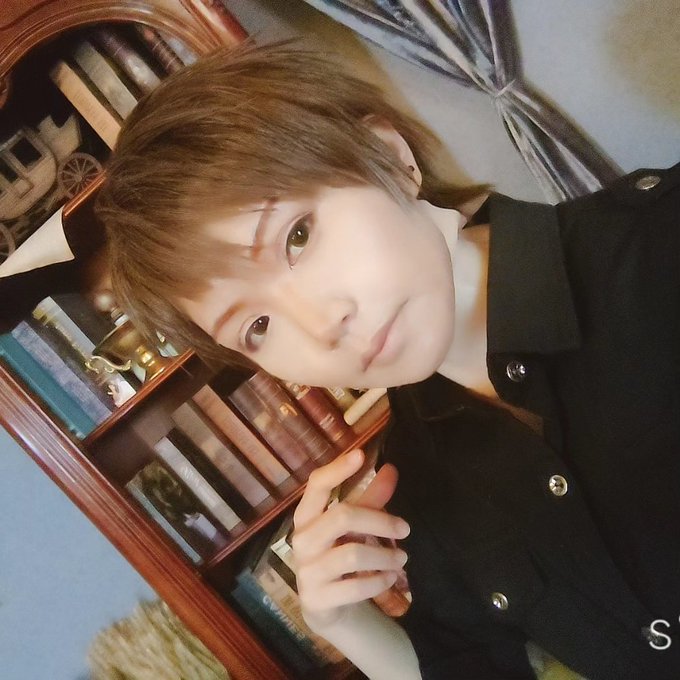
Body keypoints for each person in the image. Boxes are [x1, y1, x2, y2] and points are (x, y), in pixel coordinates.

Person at [95, 41, 680, 680]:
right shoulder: (412, 489)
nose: (322, 325)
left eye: (297, 237)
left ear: (392, 159)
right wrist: (344, 622)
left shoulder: (656, 243)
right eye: (257, 326)